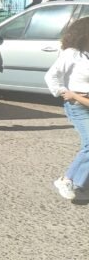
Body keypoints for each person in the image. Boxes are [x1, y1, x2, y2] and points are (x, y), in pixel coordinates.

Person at [45, 16, 89, 202]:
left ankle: (79, 186)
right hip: (77, 105)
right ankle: (66, 179)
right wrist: (63, 92)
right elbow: (51, 76)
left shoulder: (86, 53)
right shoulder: (71, 54)